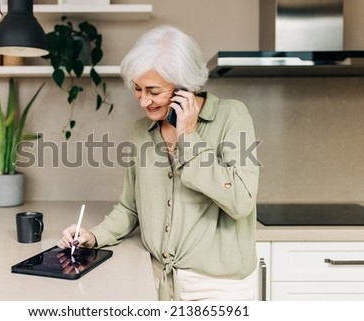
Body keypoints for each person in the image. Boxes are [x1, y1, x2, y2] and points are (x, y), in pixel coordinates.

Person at [58, 25, 260, 301]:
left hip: (218, 287)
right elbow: (130, 208)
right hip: (156, 279)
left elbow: (241, 202)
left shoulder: (231, 117)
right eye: (138, 89)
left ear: (184, 88)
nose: (143, 101)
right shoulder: (141, 131)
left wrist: (189, 136)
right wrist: (92, 236)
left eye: (153, 90)